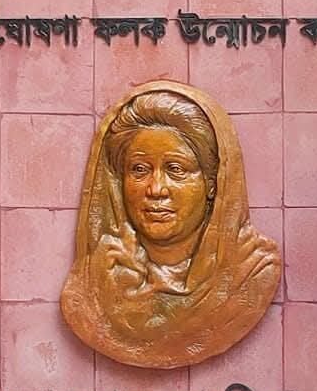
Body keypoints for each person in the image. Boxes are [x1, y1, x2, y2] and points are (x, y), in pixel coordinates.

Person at [60, 80, 280, 369]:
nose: (156, 189)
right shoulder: (95, 283)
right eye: (139, 169)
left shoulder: (249, 271)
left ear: (212, 183)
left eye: (176, 169)